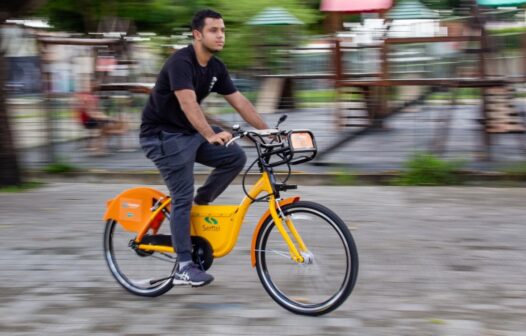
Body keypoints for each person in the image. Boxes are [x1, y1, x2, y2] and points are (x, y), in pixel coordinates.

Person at [139, 9, 269, 287]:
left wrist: (268, 133)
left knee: (234, 156)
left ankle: (201, 204)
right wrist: (210, 133)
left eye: (223, 30)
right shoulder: (180, 62)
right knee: (181, 195)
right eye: (214, 30)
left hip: (187, 134)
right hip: (162, 136)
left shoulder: (215, 67)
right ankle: (183, 265)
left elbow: (240, 102)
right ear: (197, 34)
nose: (221, 35)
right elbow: (188, 103)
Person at [76, 81, 128, 155]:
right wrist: (107, 118)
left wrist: (107, 118)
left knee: (111, 124)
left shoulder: (92, 97)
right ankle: (98, 147)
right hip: (88, 121)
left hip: (92, 119)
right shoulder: (87, 98)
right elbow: (92, 114)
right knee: (107, 126)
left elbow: (97, 112)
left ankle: (98, 147)